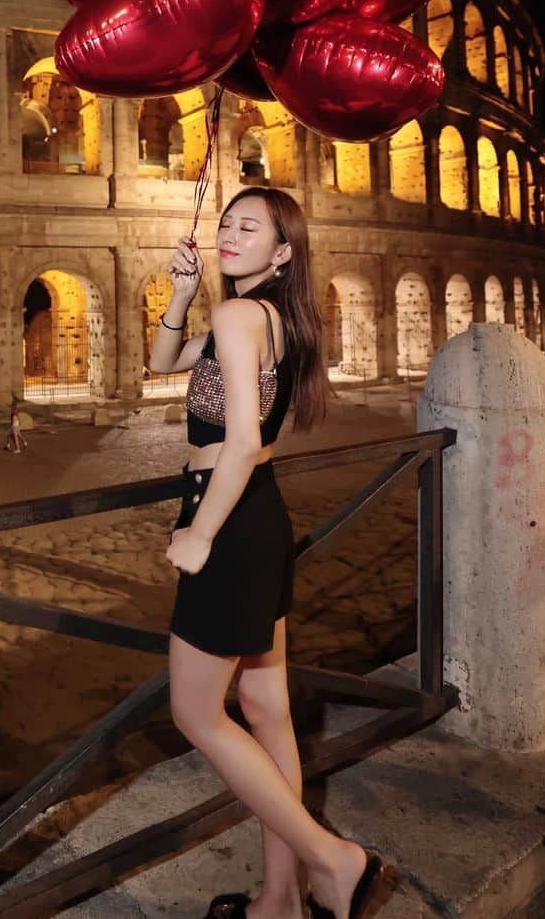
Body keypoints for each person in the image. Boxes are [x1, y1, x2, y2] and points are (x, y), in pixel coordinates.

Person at [149, 187, 395, 919]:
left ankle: (335, 860)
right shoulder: (268, 318)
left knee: (196, 714)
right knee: (266, 708)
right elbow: (165, 359)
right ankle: (280, 900)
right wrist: (181, 290)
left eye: (248, 227)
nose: (228, 232)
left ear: (282, 251)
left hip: (227, 521)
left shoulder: (239, 316)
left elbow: (246, 444)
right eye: (226, 221)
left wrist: (197, 534)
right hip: (262, 522)